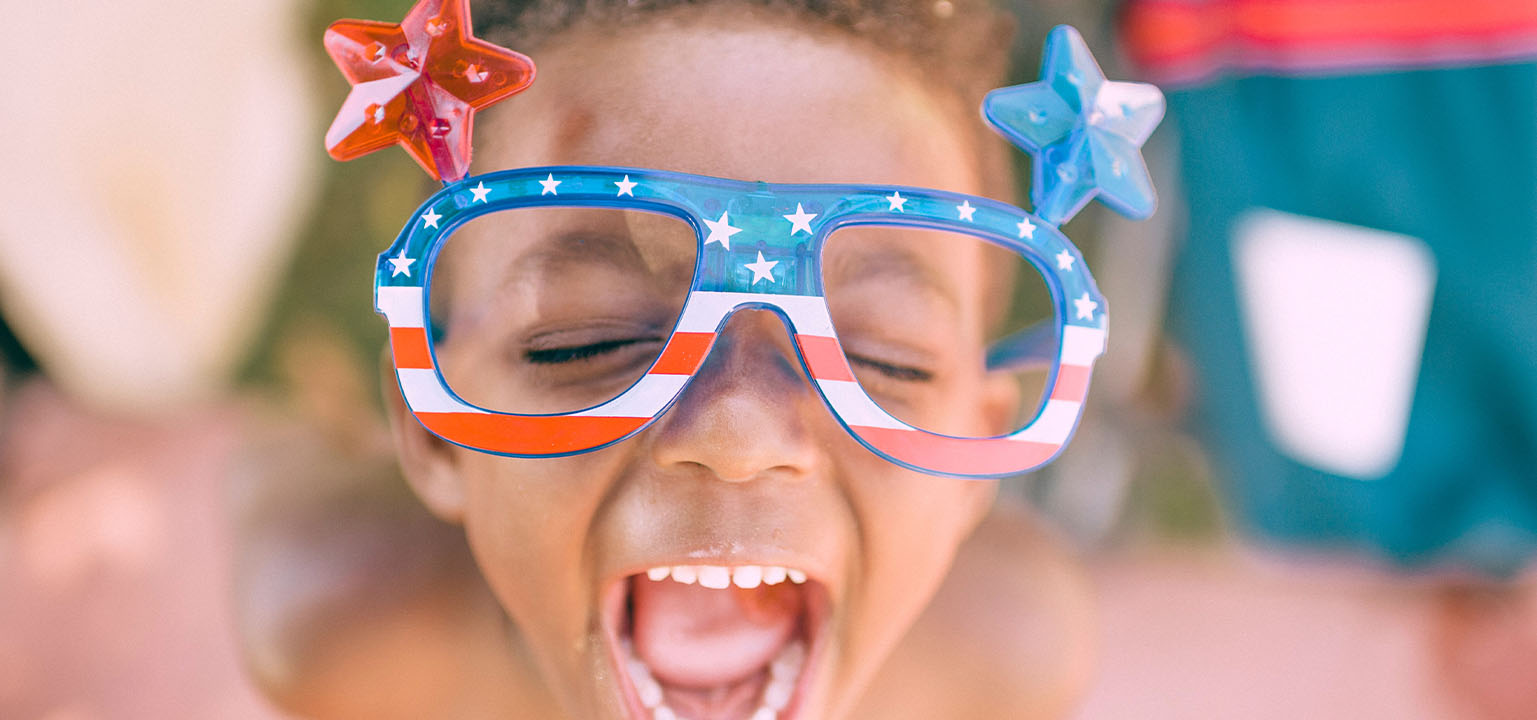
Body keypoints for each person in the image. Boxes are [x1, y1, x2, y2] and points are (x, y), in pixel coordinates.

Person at [236, 0, 1120, 717]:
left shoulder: (1005, 664)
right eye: (587, 343)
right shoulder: (346, 646)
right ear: (430, 432)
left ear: (976, 464)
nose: (738, 433)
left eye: (884, 361)